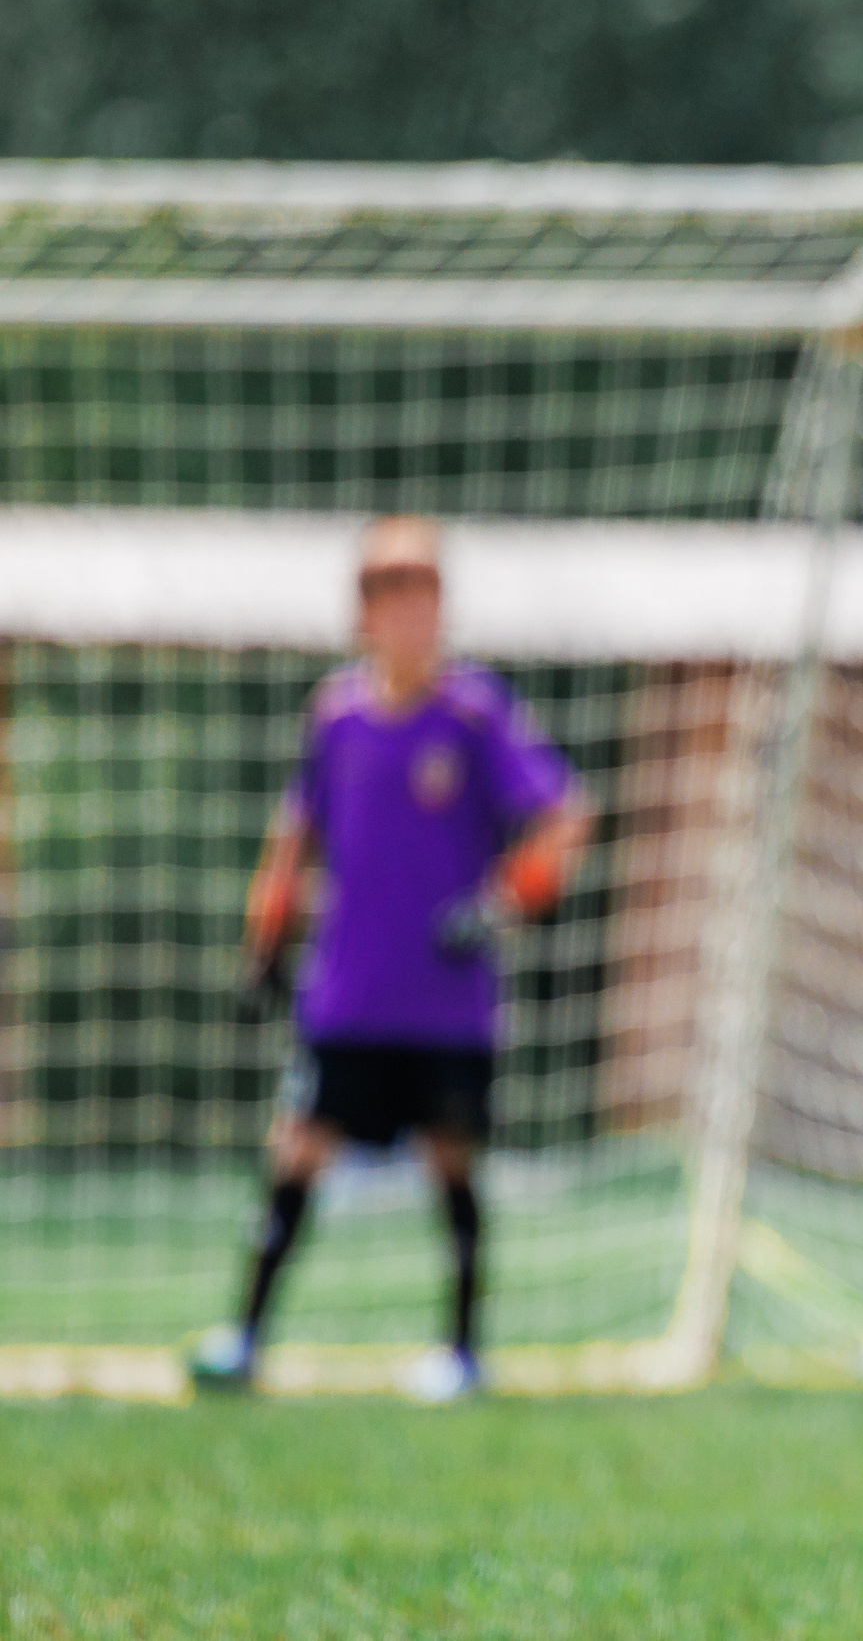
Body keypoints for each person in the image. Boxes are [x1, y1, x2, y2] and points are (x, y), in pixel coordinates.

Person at [191, 515, 590, 1402]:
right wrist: (265, 941)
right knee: (295, 1153)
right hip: (347, 996)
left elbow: (566, 819)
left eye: (427, 601)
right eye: (395, 603)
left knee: (453, 1163)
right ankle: (245, 1337)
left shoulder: (476, 715)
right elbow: (294, 837)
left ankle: (460, 1352)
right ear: (365, 617)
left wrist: (500, 902)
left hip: (446, 1001)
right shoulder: (334, 719)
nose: (414, 620)